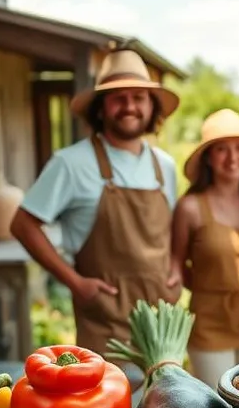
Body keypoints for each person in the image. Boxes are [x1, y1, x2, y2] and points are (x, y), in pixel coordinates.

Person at [10, 47, 183, 364]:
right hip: (105, 321)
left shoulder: (165, 166)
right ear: (101, 108)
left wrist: (175, 266)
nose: (129, 106)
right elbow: (23, 225)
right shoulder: (71, 162)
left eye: (138, 97)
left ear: (151, 106)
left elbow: (171, 230)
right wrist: (75, 283)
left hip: (162, 324)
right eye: (118, 98)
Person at [168, 108, 239, 388]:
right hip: (209, 321)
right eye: (222, 149)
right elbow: (176, 264)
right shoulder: (190, 207)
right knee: (214, 403)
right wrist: (211, 289)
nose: (233, 158)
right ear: (208, 157)